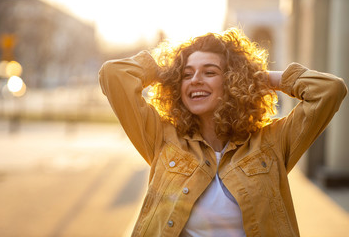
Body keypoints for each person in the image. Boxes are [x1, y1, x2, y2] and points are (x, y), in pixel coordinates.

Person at [99, 28, 347, 237]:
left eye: (209, 72)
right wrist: (166, 73)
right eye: (187, 74)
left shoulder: (272, 143)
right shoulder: (163, 138)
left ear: (232, 81)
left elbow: (329, 91)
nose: (196, 79)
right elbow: (114, 75)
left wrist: (262, 78)